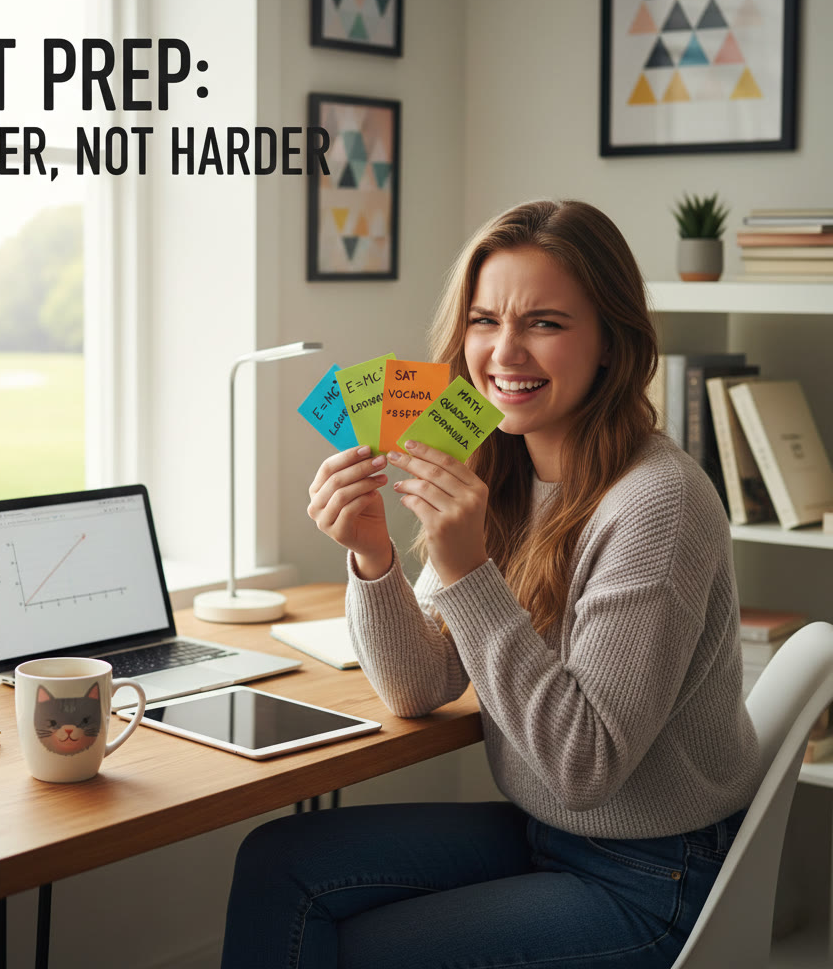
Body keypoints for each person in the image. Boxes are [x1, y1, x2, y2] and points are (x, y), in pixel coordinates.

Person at [219, 199, 761, 969]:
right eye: (483, 320)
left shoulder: (657, 503)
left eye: (545, 322)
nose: (505, 352)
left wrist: (469, 567)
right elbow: (420, 685)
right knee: (279, 862)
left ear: (611, 340)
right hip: (545, 833)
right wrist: (373, 556)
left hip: (653, 873)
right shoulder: (501, 469)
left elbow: (584, 767)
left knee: (367, 951)